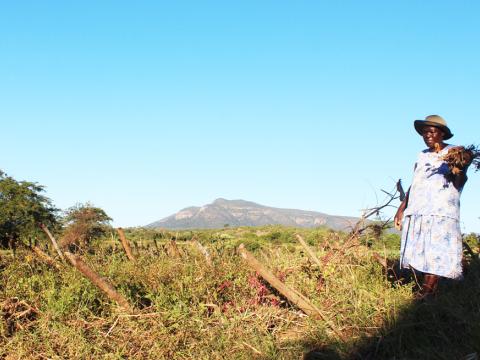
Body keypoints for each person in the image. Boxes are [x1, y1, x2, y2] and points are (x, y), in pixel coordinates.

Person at [394, 115, 472, 299]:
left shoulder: (456, 153)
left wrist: (459, 168)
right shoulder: (421, 156)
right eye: (424, 132)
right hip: (419, 209)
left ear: (442, 134)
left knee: (436, 250)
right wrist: (401, 208)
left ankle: (426, 292)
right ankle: (431, 290)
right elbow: (416, 183)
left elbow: (460, 180)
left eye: (432, 131)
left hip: (441, 211)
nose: (427, 135)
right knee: (422, 250)